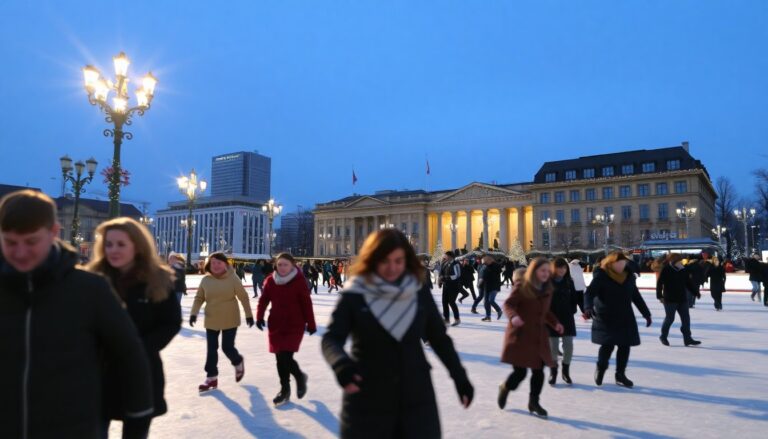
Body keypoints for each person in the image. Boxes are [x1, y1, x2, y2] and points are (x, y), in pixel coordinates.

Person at [0, 190, 153, 439]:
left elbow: (131, 360)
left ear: (53, 232)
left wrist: (135, 426)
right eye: (10, 242)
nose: (20, 252)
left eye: (30, 242)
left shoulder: (90, 290)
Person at [322, 229, 473, 437]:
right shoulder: (355, 294)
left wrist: (460, 376)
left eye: (398, 260)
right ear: (372, 259)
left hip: (416, 396)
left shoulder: (418, 292)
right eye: (385, 261)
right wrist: (340, 364)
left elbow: (439, 338)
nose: (392, 268)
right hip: (367, 395)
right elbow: (331, 338)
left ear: (407, 260)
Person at [87, 218, 182, 438]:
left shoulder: (157, 279)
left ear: (137, 246)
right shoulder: (92, 278)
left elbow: (170, 322)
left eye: (121, 244)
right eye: (108, 244)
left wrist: (139, 347)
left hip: (140, 373)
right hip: (98, 374)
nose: (113, 250)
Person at [497, 259, 563, 418]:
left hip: (538, 337)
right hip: (520, 335)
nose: (546, 274)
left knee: (539, 371)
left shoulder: (547, 289)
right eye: (542, 271)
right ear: (534, 271)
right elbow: (508, 305)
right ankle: (505, 387)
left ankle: (534, 402)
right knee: (520, 373)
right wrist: (513, 317)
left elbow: (545, 312)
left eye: (548, 271)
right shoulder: (522, 286)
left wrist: (556, 323)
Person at [256, 253, 317, 406]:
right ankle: (285, 390)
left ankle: (299, 377)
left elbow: (306, 303)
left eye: (286, 265)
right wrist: (259, 316)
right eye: (280, 264)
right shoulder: (271, 280)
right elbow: (264, 300)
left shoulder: (299, 281)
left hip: (294, 324)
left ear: (292, 265)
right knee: (279, 359)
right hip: (276, 323)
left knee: (285, 357)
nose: (282, 267)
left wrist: (311, 323)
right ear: (276, 265)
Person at [585, 252, 652, 389]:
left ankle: (620, 375)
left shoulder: (629, 277)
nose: (622, 266)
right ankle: (601, 368)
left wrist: (646, 313)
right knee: (608, 345)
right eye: (619, 263)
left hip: (625, 315)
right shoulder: (602, 275)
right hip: (606, 315)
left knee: (624, 345)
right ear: (611, 263)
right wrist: (587, 307)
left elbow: (636, 296)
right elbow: (589, 293)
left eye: (623, 263)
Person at [190, 252, 254, 392]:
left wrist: (249, 315)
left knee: (227, 347)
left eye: (219, 263)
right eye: (213, 263)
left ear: (225, 264)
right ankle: (211, 377)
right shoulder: (206, 280)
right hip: (212, 318)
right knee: (211, 349)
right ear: (209, 265)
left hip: (230, 318)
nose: (216, 265)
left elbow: (243, 297)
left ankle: (238, 362)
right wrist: (194, 313)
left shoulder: (233, 278)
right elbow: (199, 298)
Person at [656, 253, 701, 347]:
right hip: (670, 299)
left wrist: (696, 292)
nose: (681, 262)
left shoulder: (683, 269)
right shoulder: (666, 269)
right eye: (679, 260)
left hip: (682, 298)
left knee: (686, 319)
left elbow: (688, 282)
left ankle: (687, 339)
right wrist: (659, 295)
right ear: (673, 261)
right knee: (670, 318)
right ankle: (663, 336)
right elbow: (660, 283)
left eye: (681, 260)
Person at [548, 258, 578, 385]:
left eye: (564, 268)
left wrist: (574, 309)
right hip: (551, 318)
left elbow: (575, 298)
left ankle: (565, 371)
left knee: (568, 346)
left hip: (567, 318)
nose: (562, 270)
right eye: (559, 267)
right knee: (553, 348)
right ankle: (553, 372)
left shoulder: (569, 282)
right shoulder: (546, 282)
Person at [438, 251, 462, 326]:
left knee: (451, 302)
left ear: (450, 256)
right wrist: (440, 281)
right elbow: (441, 273)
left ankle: (457, 319)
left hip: (454, 286)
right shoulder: (445, 263)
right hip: (446, 286)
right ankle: (446, 319)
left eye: (446, 256)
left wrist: (445, 278)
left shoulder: (456, 264)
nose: (444, 257)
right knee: (444, 302)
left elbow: (457, 275)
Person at [480, 255, 503, 321]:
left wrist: (487, 265)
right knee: (486, 302)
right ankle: (488, 316)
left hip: (494, 286)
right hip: (486, 286)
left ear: (490, 260)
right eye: (484, 262)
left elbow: (497, 271)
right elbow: (483, 275)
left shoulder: (496, 266)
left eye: (485, 262)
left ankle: (499, 311)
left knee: (491, 300)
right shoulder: (485, 266)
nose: (484, 263)